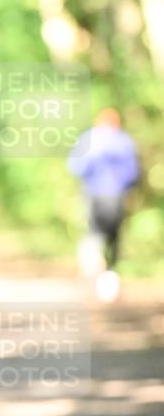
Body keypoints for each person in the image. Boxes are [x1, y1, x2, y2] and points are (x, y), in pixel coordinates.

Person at [68, 108, 139, 302]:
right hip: (116, 196)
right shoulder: (123, 141)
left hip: (93, 194)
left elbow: (75, 166)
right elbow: (133, 172)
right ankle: (110, 276)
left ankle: (93, 272)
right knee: (114, 236)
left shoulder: (89, 139)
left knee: (94, 233)